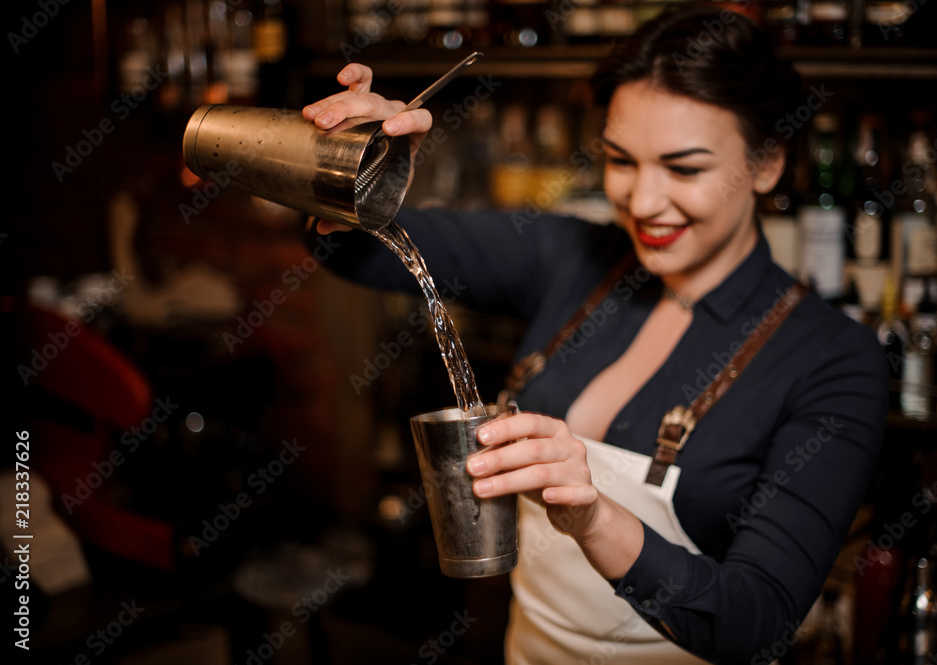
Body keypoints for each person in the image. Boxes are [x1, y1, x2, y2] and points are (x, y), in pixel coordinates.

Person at [301, 5, 888, 664]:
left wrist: (593, 515)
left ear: (768, 163)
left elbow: (755, 621)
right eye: (620, 160)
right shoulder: (574, 256)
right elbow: (363, 251)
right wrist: (358, 166)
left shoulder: (835, 361)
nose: (643, 200)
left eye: (684, 168)